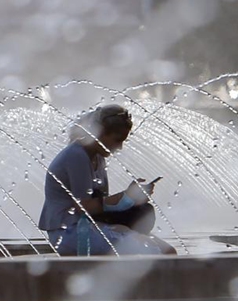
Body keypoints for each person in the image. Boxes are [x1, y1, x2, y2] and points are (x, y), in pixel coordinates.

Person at [38, 104, 176, 256]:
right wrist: (126, 196)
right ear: (100, 133)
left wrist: (131, 200)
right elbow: (83, 206)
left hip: (91, 226)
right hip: (69, 232)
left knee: (168, 251)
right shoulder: (77, 155)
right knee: (153, 251)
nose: (120, 147)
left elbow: (101, 203)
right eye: (117, 140)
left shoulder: (97, 157)